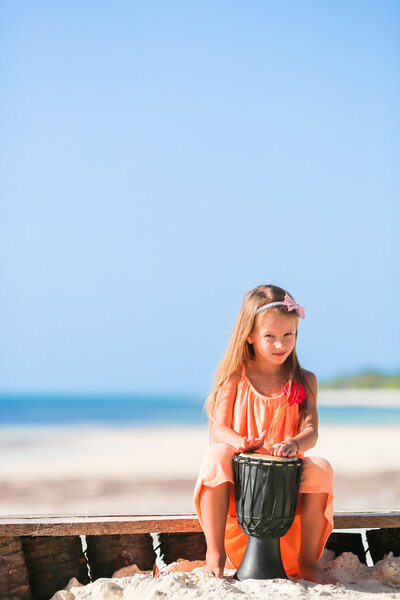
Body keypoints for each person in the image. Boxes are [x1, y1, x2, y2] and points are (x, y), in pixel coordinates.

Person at [193, 284, 334, 584]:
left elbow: (311, 430)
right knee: (216, 456)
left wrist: (295, 443)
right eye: (270, 336)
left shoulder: (305, 380)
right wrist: (239, 442)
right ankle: (215, 556)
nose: (280, 344)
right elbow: (218, 428)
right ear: (250, 335)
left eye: (288, 335)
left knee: (321, 468)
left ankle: (307, 561)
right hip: (242, 494)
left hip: (285, 494)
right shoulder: (235, 376)